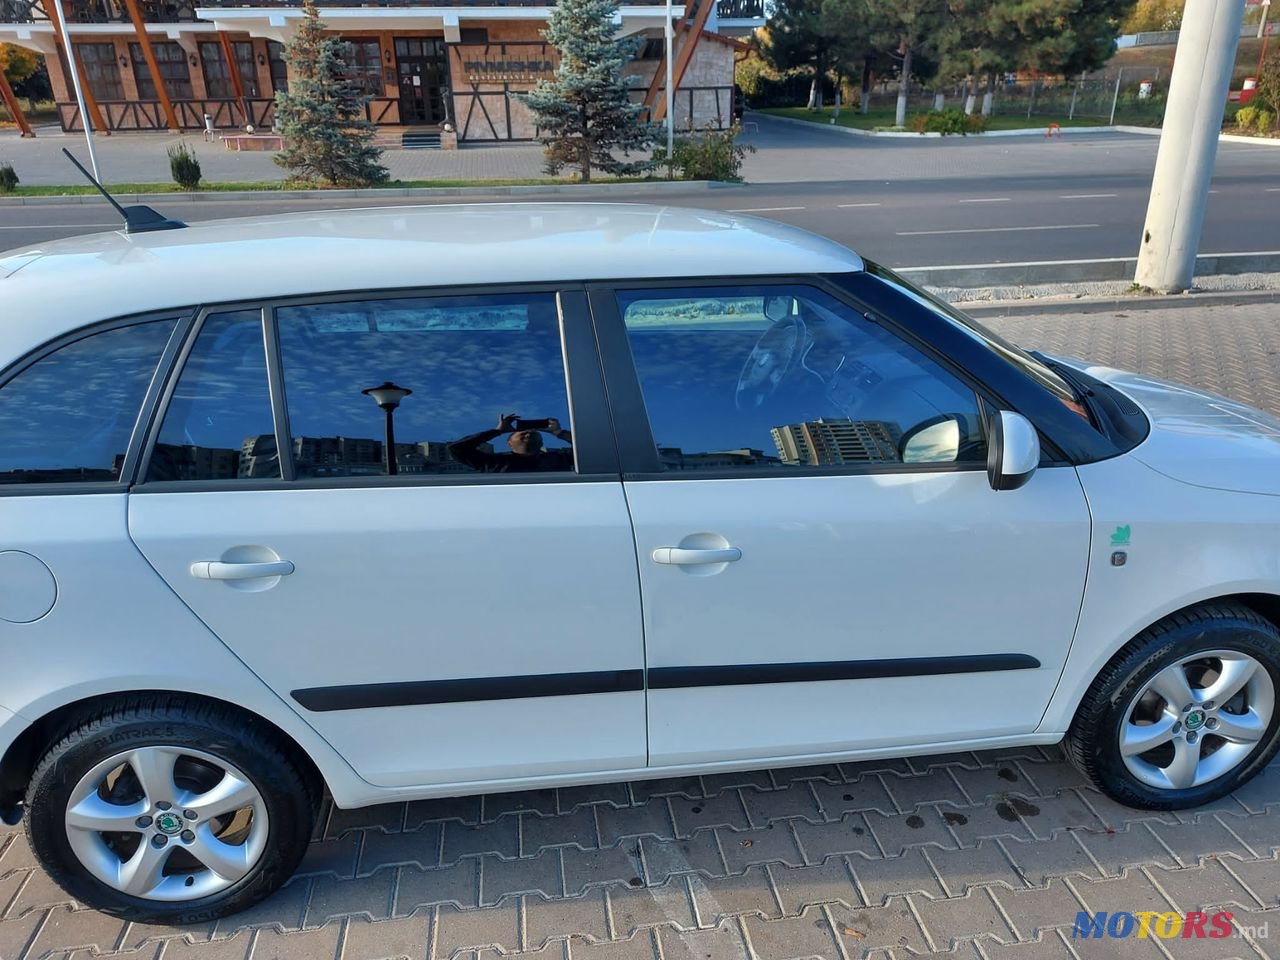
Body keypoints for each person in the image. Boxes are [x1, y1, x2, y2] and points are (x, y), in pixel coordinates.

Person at [448, 411, 574, 473]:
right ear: (509, 443)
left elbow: (590, 450)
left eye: (534, 434)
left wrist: (559, 433)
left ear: (542, 443)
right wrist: (497, 431)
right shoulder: (493, 462)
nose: (529, 433)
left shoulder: (560, 458)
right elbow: (456, 449)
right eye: (523, 433)